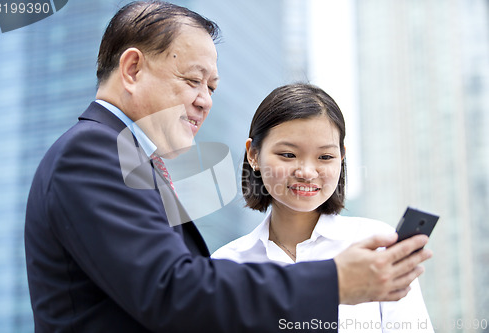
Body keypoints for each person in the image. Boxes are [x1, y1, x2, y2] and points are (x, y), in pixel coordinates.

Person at [24, 1, 432, 332]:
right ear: (132, 69)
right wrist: (336, 282)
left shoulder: (125, 157)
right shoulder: (94, 152)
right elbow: (173, 292)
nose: (205, 100)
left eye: (211, 87)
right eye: (192, 80)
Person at [212, 83, 434, 332]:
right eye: (288, 154)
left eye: (325, 157)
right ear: (253, 154)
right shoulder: (224, 265)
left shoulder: (377, 245)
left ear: (341, 158)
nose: (306, 172)